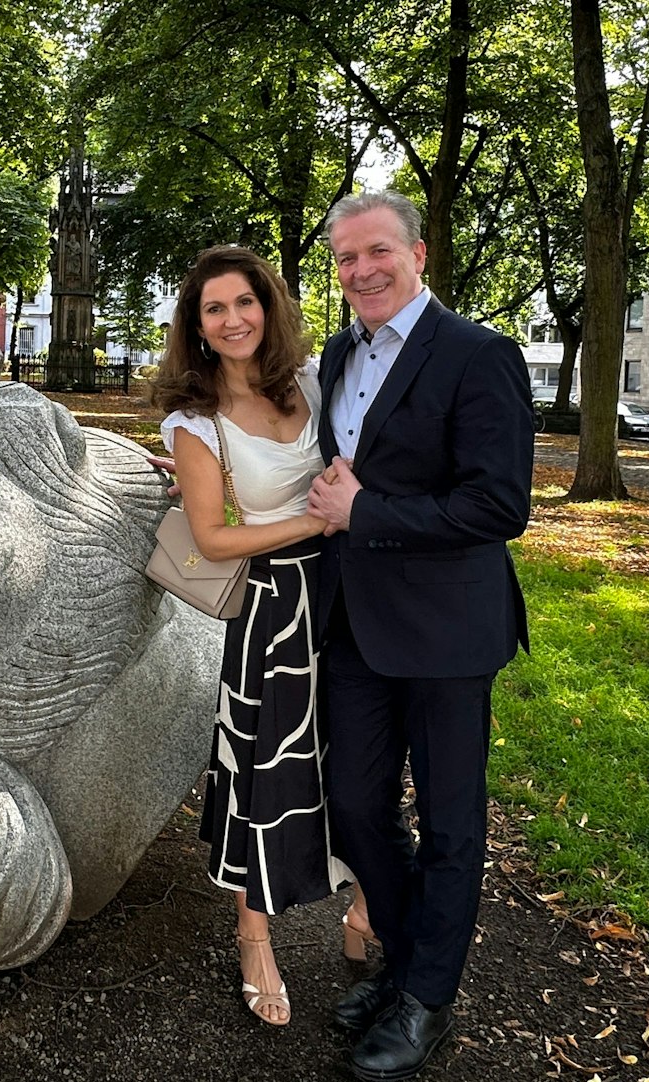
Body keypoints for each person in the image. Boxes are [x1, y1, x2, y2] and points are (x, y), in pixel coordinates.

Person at [305, 192, 534, 1082]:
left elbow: (498, 503)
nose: (360, 270)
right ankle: (404, 961)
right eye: (345, 258)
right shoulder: (336, 352)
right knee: (355, 805)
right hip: (356, 623)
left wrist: (370, 512)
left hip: (447, 630)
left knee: (448, 824)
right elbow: (323, 474)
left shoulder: (480, 355)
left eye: (377, 252)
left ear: (419, 253)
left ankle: (428, 999)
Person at [150, 245, 368, 1028]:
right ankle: (253, 935)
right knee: (271, 767)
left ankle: (365, 898)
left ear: (267, 306)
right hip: (275, 607)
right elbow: (210, 539)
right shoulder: (196, 420)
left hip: (348, 594)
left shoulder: (312, 382)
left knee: (360, 750)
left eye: (245, 301)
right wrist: (316, 518)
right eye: (215, 309)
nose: (233, 318)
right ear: (198, 326)